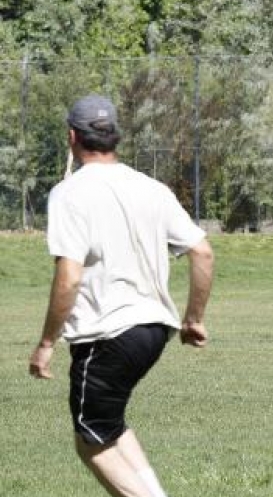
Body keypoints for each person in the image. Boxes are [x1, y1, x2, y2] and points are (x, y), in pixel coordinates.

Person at [28, 94, 215, 497]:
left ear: (71, 137)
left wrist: (46, 342)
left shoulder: (69, 193)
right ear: (115, 136)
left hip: (107, 334)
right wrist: (193, 319)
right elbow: (202, 251)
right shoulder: (151, 188)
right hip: (153, 332)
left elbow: (69, 276)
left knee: (90, 438)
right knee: (107, 424)